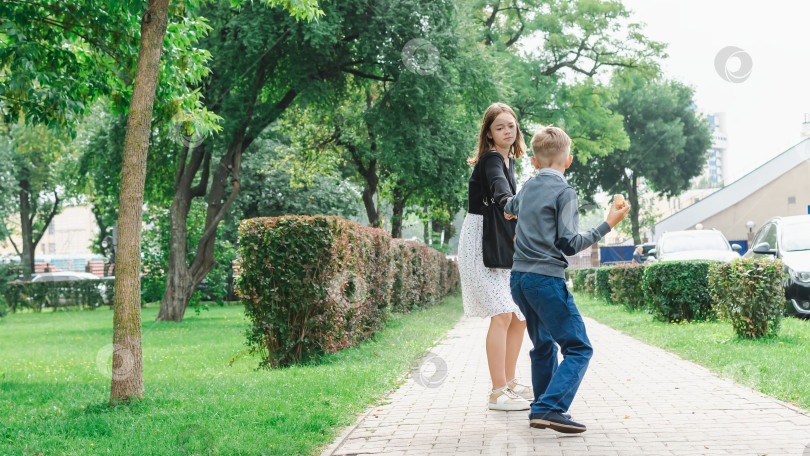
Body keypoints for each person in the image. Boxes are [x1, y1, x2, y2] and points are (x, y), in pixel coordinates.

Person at [505, 126, 631, 433]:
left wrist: (522, 216)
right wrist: (607, 224)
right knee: (578, 347)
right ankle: (549, 407)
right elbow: (569, 243)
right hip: (546, 280)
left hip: (519, 279)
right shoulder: (565, 192)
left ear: (534, 162)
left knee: (544, 345)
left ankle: (541, 410)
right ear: (569, 160)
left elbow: (509, 209)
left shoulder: (528, 185)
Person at [458, 102, 532, 411]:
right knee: (503, 314)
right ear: (489, 133)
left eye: (511, 126)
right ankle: (497, 392)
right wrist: (509, 201)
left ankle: (510, 382)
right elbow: (500, 191)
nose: (506, 131)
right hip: (480, 244)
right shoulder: (491, 159)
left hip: (498, 243)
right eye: (499, 127)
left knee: (518, 316)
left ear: (517, 130)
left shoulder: (508, 161)